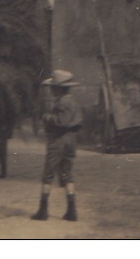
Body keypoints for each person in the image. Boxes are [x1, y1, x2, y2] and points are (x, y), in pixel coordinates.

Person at [31, 69, 82, 222]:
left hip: (58, 140)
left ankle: (43, 209)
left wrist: (47, 117)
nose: (51, 90)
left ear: (58, 88)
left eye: (53, 87)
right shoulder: (73, 101)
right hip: (71, 140)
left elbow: (62, 122)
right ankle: (71, 210)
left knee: (48, 174)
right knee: (67, 173)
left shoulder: (63, 102)